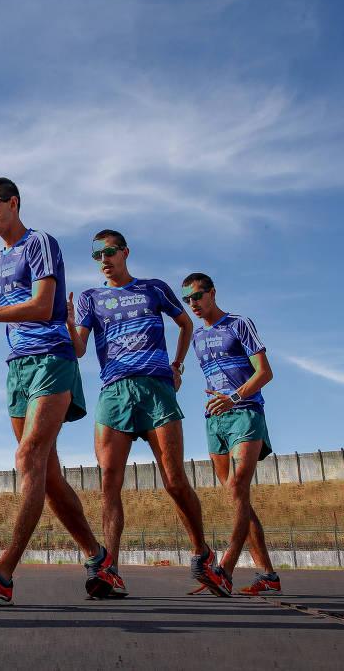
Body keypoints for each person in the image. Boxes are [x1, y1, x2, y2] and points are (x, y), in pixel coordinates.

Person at [0, 177, 112, 605]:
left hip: (52, 358)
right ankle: (97, 554)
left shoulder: (41, 243)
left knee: (27, 457)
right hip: (17, 366)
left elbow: (39, 306)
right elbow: (15, 314)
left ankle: (3, 571)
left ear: (13, 203)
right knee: (47, 475)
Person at [70, 230, 230, 596]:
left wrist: (177, 365)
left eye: (110, 252)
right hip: (115, 392)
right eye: (97, 255)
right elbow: (79, 349)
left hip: (157, 390)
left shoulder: (153, 288)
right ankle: (109, 567)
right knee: (109, 482)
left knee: (174, 481)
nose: (104, 259)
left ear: (125, 252)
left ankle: (202, 553)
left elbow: (185, 324)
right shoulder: (91, 299)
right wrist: (66, 321)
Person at [182, 272, 280, 596]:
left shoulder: (240, 324)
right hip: (215, 421)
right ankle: (267, 575)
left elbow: (264, 372)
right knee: (237, 498)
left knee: (238, 488)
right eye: (187, 300)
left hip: (245, 413)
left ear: (212, 293)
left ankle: (224, 570)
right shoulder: (196, 338)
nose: (193, 304)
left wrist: (235, 397)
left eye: (197, 296)